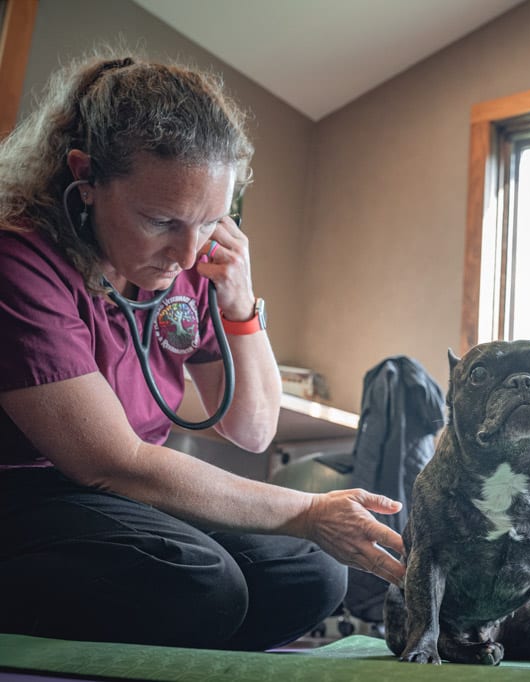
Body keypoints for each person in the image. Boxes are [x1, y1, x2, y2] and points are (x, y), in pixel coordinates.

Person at [0, 51, 405, 651]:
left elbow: (253, 428)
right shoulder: (20, 263)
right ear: (84, 179)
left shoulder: (187, 268)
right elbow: (109, 462)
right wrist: (307, 509)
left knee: (310, 573)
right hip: (26, 497)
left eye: (213, 219)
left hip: (119, 497)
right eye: (161, 220)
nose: (188, 254)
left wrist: (241, 306)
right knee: (199, 582)